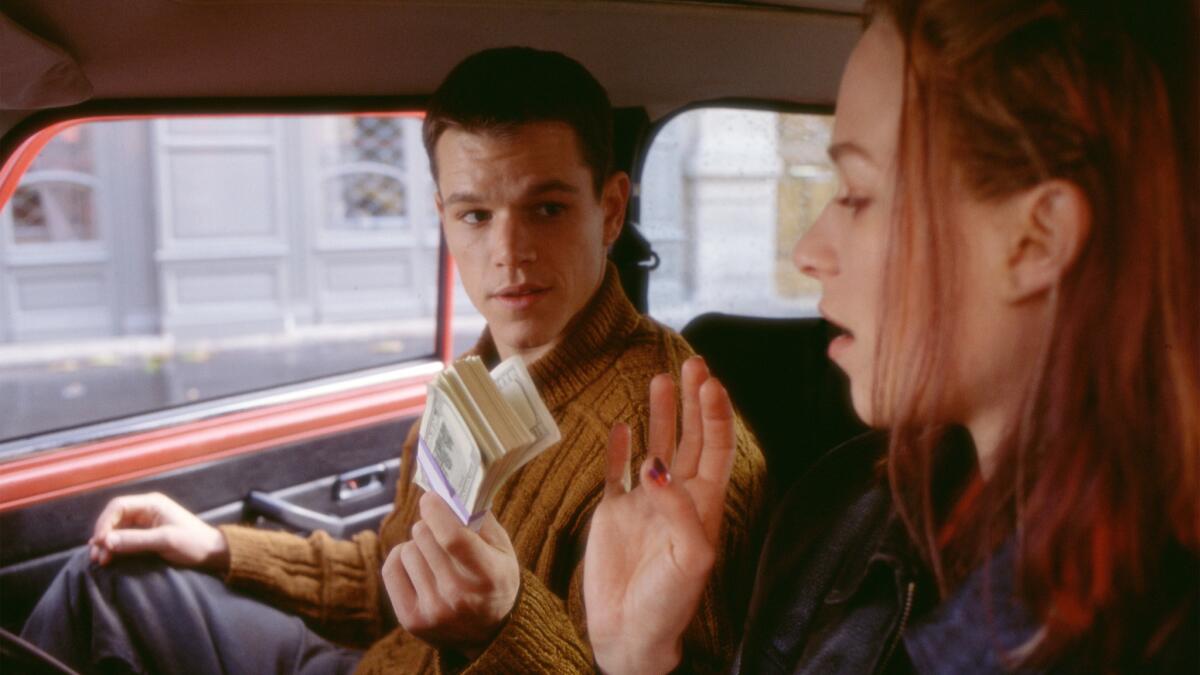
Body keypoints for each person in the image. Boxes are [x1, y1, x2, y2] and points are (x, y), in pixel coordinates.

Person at [22, 47, 767, 674]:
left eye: (547, 208)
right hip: (370, 661)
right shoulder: (478, 381)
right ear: (442, 215)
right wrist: (218, 546)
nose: (507, 253)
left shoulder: (683, 451)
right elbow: (388, 576)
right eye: (476, 214)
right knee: (108, 580)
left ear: (609, 210)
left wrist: (497, 626)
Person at [582, 1, 1200, 673]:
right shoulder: (845, 513)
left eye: (857, 193)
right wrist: (639, 653)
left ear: (1036, 239)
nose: (810, 250)